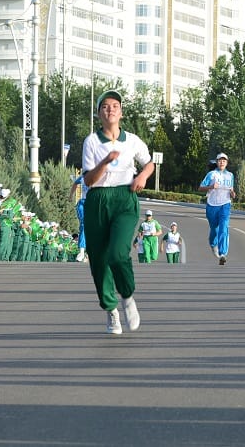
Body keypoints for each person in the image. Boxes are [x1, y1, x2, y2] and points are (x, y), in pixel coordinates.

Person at [81, 90, 154, 335]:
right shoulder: (91, 142)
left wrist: (142, 176)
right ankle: (111, 311)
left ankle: (128, 296)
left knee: (118, 252)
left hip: (124, 198)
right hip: (98, 200)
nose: (110, 109)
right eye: (105, 106)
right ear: (99, 113)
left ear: (121, 112)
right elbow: (89, 180)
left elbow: (149, 162)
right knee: (99, 259)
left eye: (114, 106)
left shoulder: (132, 140)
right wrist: (105, 162)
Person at [199, 152, 235, 265]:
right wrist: (211, 186)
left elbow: (231, 190)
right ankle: (213, 244)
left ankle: (223, 253)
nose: (222, 162)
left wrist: (233, 194)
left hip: (225, 204)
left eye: (224, 161)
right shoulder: (211, 174)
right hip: (212, 205)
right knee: (214, 229)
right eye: (220, 160)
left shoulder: (230, 175)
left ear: (227, 163)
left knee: (224, 227)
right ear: (217, 162)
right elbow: (200, 188)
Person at [70, 173, 88, 262]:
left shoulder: (100, 175)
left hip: (95, 203)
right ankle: (81, 251)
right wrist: (71, 195)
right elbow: (75, 183)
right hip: (83, 203)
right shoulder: (83, 177)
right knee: (83, 225)